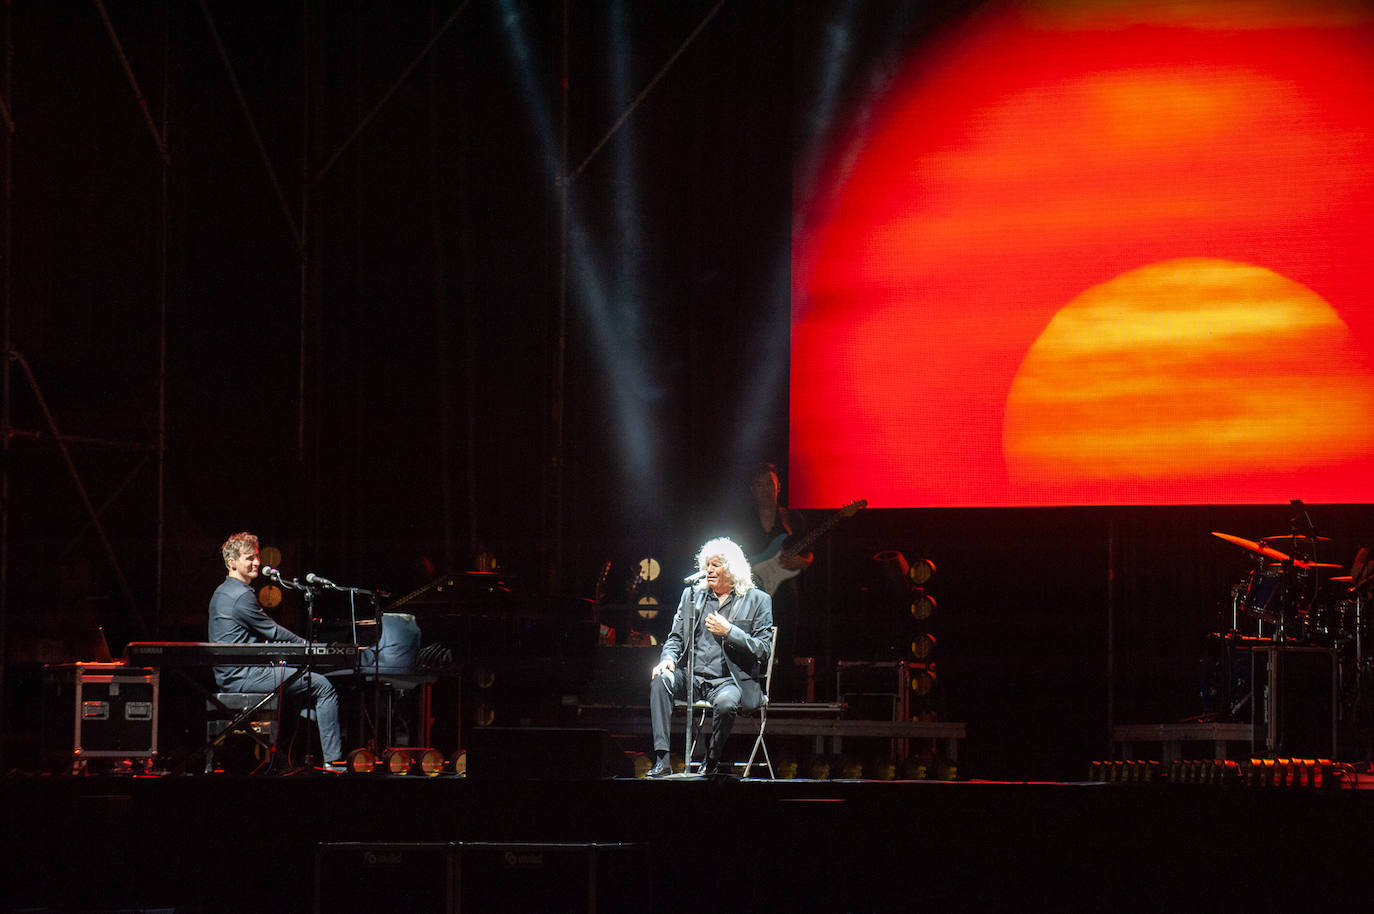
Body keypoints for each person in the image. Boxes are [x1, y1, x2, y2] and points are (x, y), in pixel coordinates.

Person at [209, 531, 344, 768]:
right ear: (232, 562)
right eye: (249, 558)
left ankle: (290, 760)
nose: (257, 563)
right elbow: (274, 632)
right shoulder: (239, 595)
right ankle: (334, 762)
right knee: (323, 687)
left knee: (303, 689)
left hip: (235, 674)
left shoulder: (223, 592)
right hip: (243, 677)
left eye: (257, 557)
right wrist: (310, 647)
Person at [647, 537, 774, 777]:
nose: (708, 571)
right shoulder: (692, 596)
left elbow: (764, 649)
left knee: (726, 704)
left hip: (729, 681)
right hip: (693, 678)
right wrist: (667, 659)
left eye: (715, 565)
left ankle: (712, 759)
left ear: (731, 568)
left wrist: (730, 632)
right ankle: (662, 760)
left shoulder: (757, 600)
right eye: (706, 565)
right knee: (661, 680)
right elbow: (675, 638)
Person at [739, 462, 812, 700]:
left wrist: (804, 562)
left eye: (770, 484)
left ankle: (782, 703)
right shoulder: (742, 520)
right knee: (748, 647)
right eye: (760, 485)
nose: (766, 490)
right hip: (750, 591)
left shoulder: (792, 517)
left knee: (785, 649)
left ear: (778, 486)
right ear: (752, 489)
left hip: (784, 593)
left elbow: (808, 552)